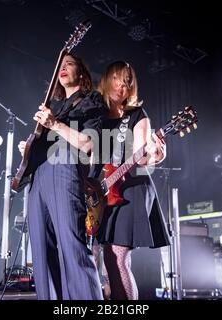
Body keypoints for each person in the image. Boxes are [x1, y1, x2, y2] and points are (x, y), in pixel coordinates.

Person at [17, 53, 107, 300]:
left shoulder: (91, 100)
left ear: (82, 73)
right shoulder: (54, 106)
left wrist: (55, 124)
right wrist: (29, 149)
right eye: (60, 65)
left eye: (69, 64)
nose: (63, 68)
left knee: (72, 246)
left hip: (65, 170)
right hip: (39, 177)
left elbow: (88, 144)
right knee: (42, 252)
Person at [95, 61, 170, 300]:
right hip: (103, 192)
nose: (122, 86)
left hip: (132, 190)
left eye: (127, 81)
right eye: (117, 79)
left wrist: (155, 154)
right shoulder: (96, 117)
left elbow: (143, 155)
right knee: (103, 258)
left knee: (117, 256)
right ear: (107, 80)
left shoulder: (138, 115)